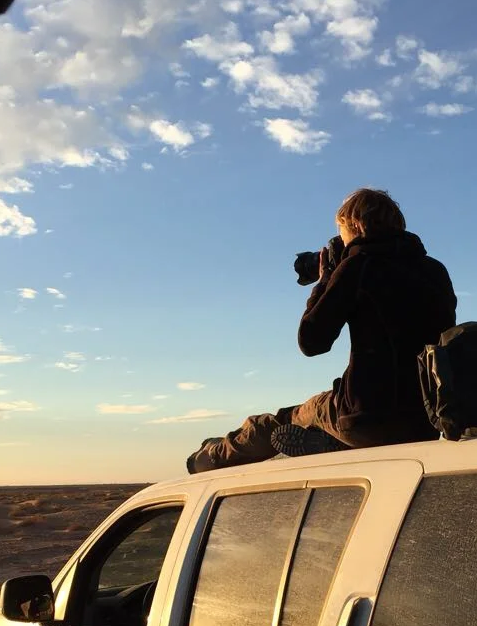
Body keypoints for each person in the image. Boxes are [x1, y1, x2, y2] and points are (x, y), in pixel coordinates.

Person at [186, 188, 457, 473]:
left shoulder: (358, 267)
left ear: (355, 226)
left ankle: (209, 458)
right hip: (424, 421)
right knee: (322, 418)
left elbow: (311, 342)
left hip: (362, 416)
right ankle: (332, 441)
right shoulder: (435, 271)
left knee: (281, 421)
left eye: (342, 232)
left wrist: (326, 279)